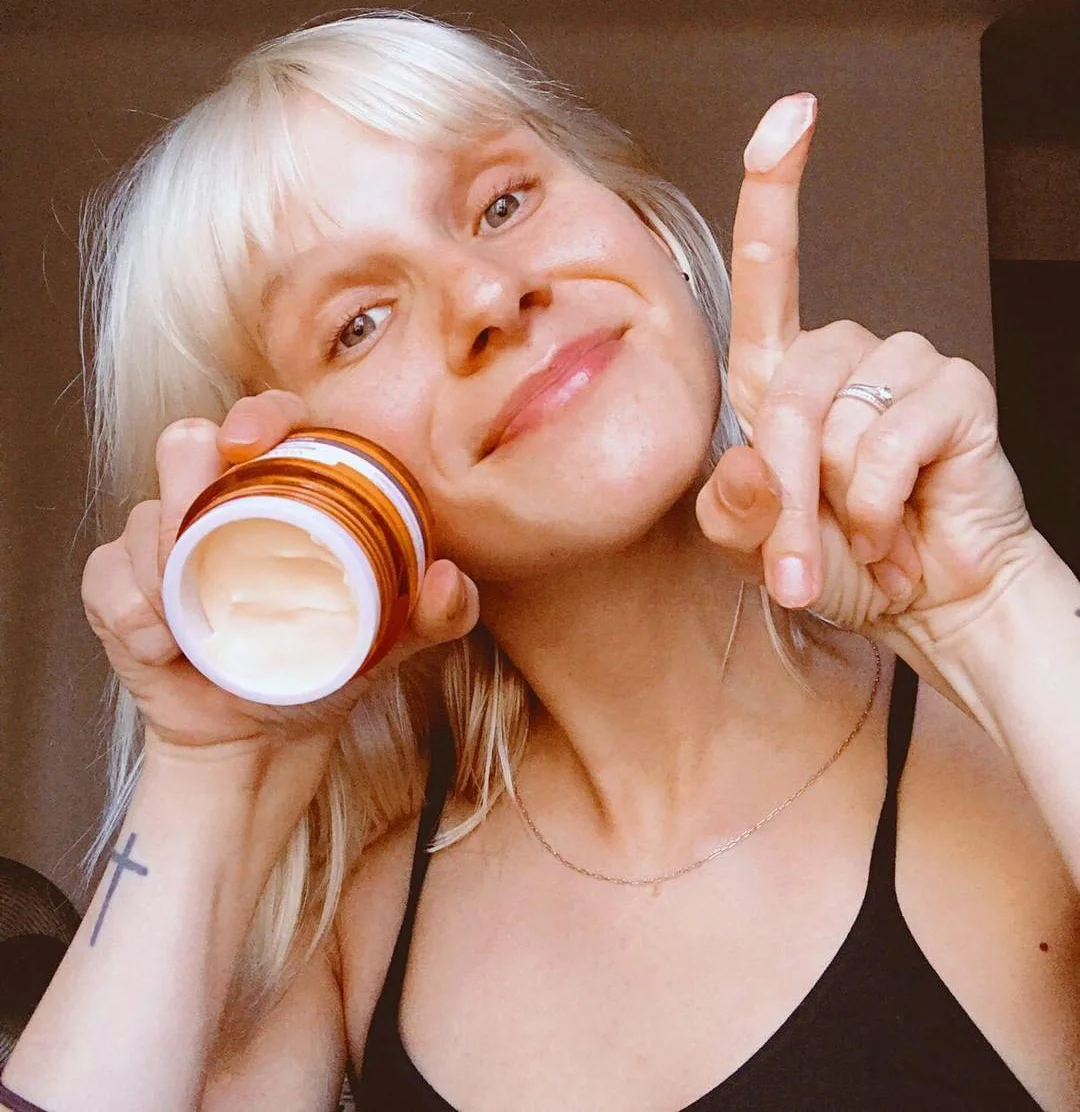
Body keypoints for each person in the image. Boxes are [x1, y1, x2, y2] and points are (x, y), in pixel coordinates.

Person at [3, 11, 1078, 1111]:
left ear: (646, 232)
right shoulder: (359, 942)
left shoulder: (1019, 760)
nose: (486, 293)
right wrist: (203, 772)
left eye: (504, 203)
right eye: (360, 322)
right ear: (299, 481)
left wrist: (998, 601)